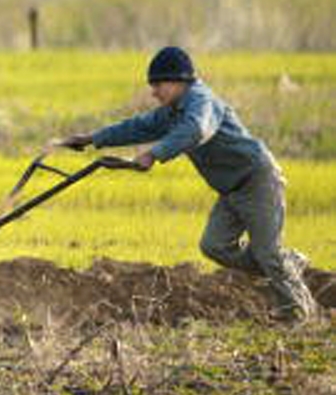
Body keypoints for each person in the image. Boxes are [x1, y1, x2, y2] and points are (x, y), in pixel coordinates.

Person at [63, 46, 318, 323]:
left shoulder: (202, 101)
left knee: (267, 253)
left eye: (158, 84)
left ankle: (300, 317)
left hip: (257, 180)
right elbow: (138, 126)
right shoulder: (172, 110)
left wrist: (153, 154)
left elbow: (196, 130)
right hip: (230, 189)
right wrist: (92, 138)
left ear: (178, 81)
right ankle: (287, 264)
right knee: (214, 246)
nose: (154, 92)